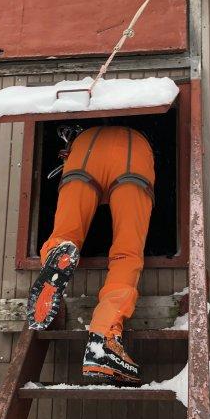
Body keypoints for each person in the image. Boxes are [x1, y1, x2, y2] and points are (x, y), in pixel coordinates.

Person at [26, 124, 155, 385]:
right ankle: (103, 339)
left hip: (84, 149)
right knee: (126, 254)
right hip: (134, 150)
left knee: (66, 233)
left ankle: (57, 254)